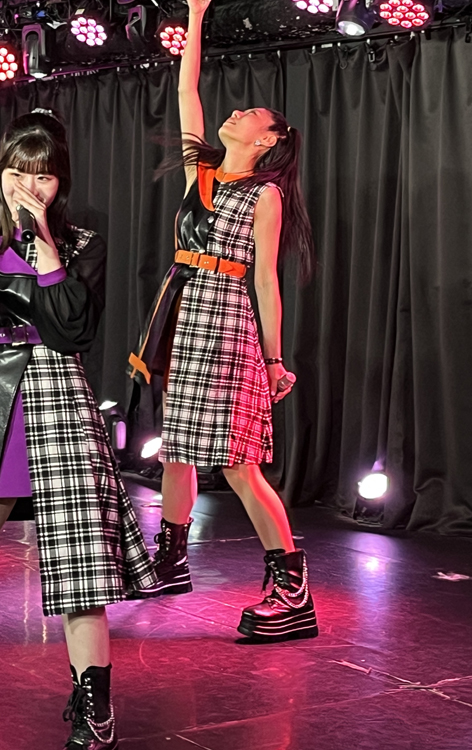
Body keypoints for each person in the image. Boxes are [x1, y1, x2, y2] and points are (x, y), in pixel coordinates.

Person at [0, 111, 156, 749]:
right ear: (1, 174)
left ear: (60, 183)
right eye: (19, 173)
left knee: (80, 575)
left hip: (60, 403)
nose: (29, 188)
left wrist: (44, 248)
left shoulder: (83, 245)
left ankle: (94, 704)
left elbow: (73, 329)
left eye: (44, 177)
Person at [127, 0, 318, 643]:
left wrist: (274, 359)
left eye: (252, 114)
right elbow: (187, 92)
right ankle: (171, 561)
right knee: (178, 452)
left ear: (269, 140)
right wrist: (195, 15)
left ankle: (292, 590)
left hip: (230, 325)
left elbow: (266, 280)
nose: (236, 114)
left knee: (238, 463)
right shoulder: (202, 176)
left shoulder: (266, 194)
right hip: (187, 318)